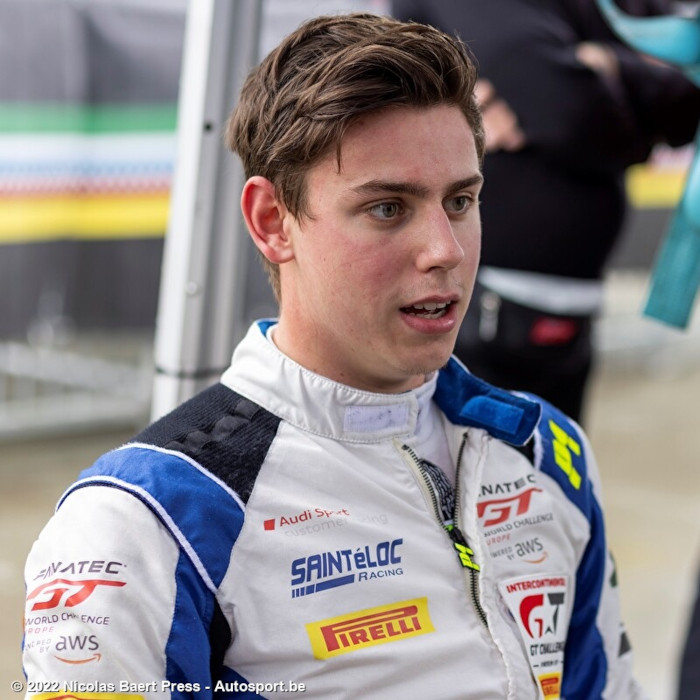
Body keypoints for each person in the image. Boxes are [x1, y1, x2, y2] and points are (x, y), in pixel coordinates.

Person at [22, 13, 645, 699]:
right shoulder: (142, 522)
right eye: (388, 208)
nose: (444, 250)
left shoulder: (544, 451)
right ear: (272, 222)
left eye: (460, 200)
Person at [393, 0, 700, 423]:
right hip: (481, 302)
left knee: (556, 461)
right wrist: (637, 124)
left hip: (569, 302)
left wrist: (610, 63)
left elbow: (687, 96)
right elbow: (572, 110)